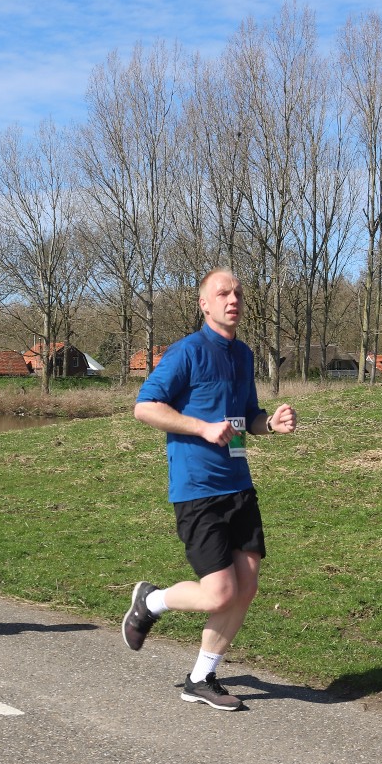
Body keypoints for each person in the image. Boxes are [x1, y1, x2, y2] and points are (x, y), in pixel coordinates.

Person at [121, 268, 298, 711]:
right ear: (204, 303)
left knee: (247, 586)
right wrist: (201, 427)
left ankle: (201, 678)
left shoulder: (244, 354)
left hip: (239, 484)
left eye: (238, 293)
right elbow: (144, 407)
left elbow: (248, 416)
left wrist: (270, 425)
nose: (232, 299)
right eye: (222, 293)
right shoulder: (187, 352)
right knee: (219, 592)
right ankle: (152, 600)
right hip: (197, 488)